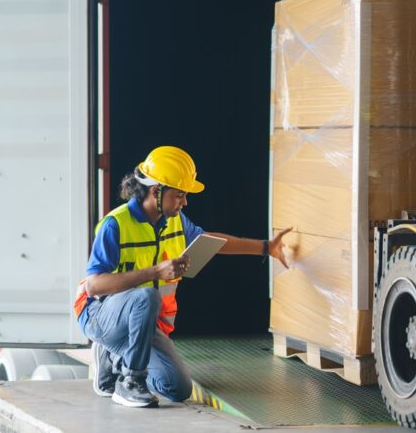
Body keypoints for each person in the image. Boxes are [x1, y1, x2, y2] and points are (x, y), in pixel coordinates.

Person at [72, 146, 291, 408]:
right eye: (179, 195)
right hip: (98, 316)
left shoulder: (175, 220)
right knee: (146, 295)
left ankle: (116, 358)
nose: (184, 202)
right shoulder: (115, 225)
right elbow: (95, 284)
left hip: (143, 323)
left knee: (176, 388)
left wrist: (266, 247)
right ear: (156, 192)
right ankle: (129, 383)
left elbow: (211, 242)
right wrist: (156, 271)